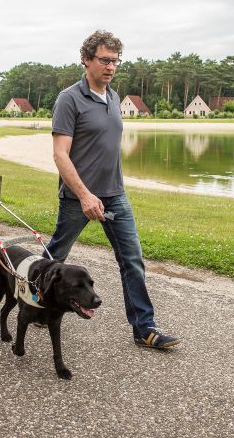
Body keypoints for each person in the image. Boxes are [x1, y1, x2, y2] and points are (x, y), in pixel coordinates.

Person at [47, 30, 180, 349]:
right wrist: (84, 195)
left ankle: (144, 328)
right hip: (78, 197)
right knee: (55, 258)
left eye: (116, 61)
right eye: (104, 60)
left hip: (115, 195)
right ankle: (37, 304)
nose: (111, 66)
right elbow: (60, 154)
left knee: (132, 258)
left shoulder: (116, 98)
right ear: (86, 60)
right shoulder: (69, 99)